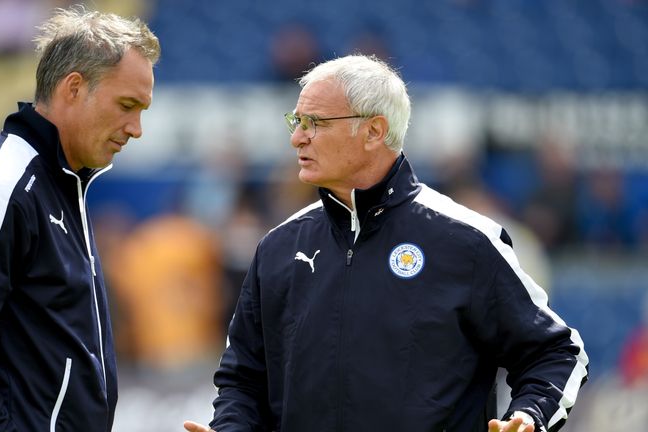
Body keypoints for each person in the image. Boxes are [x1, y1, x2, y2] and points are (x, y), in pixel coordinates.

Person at [183, 55, 588, 432]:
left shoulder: (466, 241)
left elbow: (557, 352)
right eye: (297, 121)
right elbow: (243, 378)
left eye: (316, 123)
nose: (298, 139)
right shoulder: (277, 247)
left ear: (374, 131)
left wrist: (529, 415)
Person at [0, 6, 159, 431]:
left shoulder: (64, 182)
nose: (136, 127)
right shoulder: (3, 186)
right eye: (127, 105)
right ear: (73, 88)